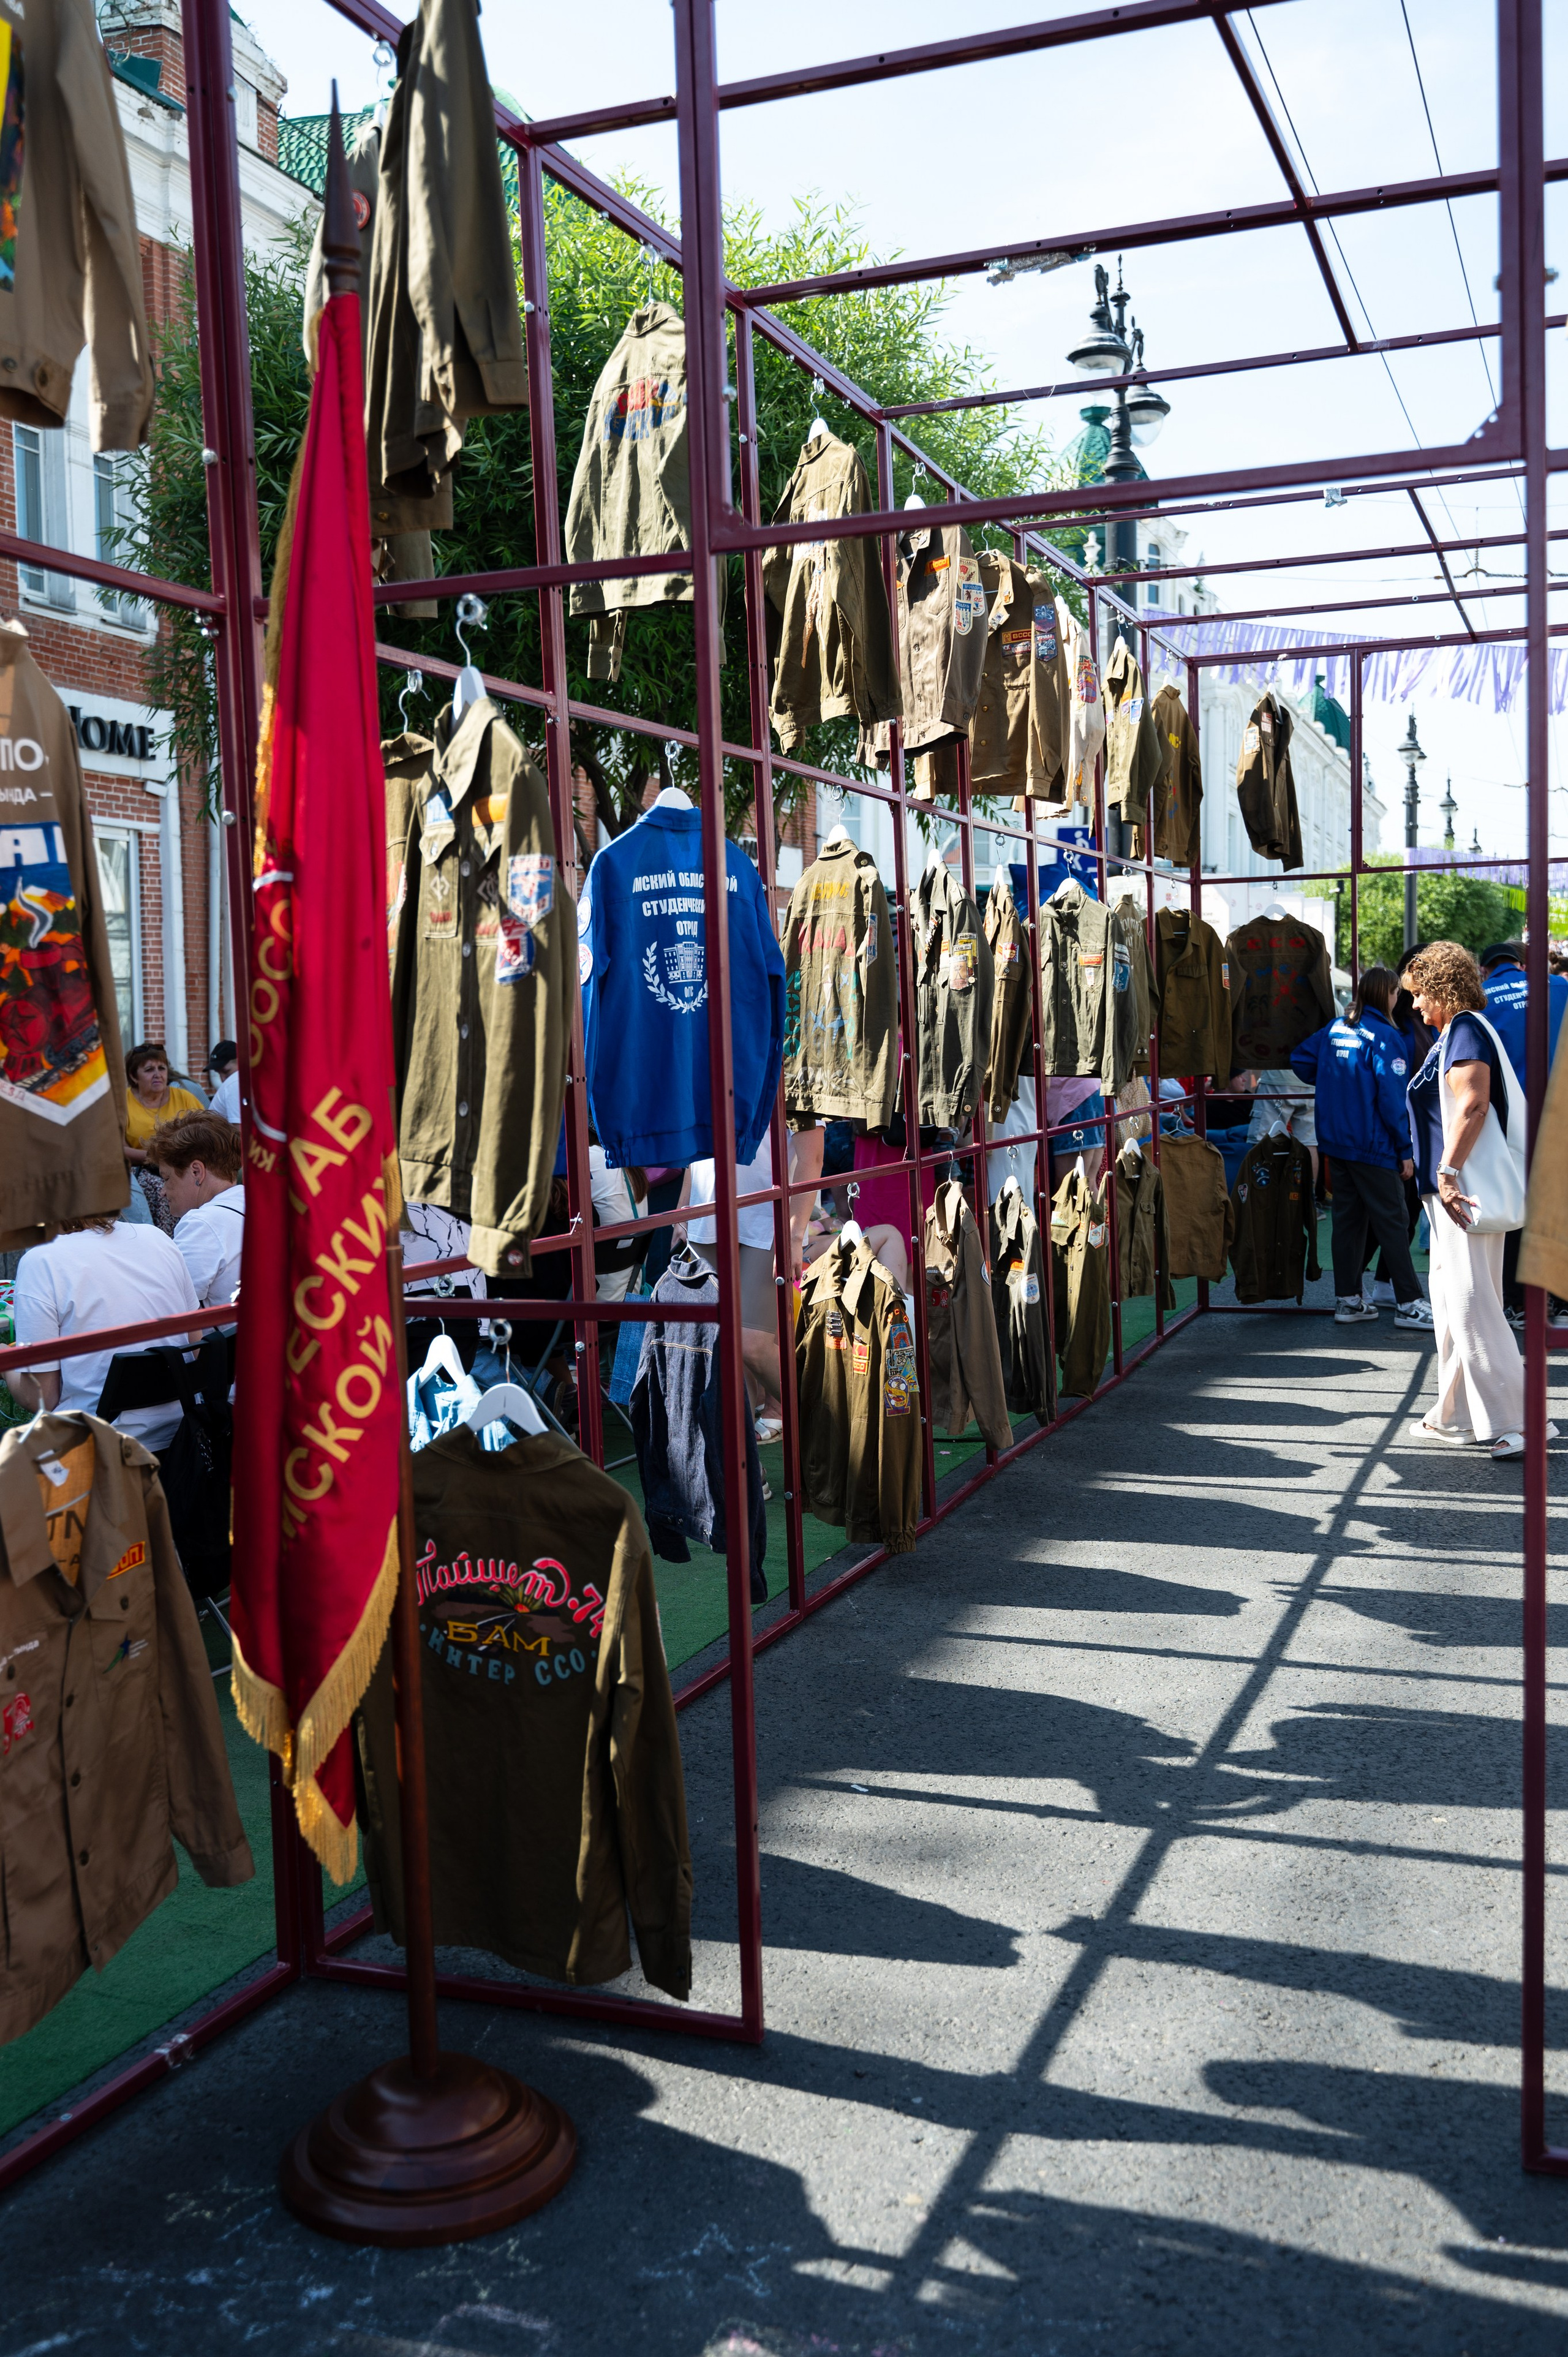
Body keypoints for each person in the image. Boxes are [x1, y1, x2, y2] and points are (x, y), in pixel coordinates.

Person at [1404, 939, 1551, 1462]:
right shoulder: (1458, 1031)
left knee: (1472, 1304)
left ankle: (1520, 1420)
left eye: (1419, 993)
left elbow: (1474, 1104)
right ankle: (1457, 1415)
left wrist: (1446, 1173)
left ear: (1440, 988)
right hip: (1454, 1190)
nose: (1415, 1004)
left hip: (1461, 1190)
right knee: (1453, 1303)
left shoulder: (1465, 1029)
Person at [1290, 967, 1431, 1329]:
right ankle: (1409, 1304)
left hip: (1337, 1143)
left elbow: (1300, 1060)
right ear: (1389, 994)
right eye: (1397, 993)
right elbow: (1392, 1101)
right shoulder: (1386, 1036)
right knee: (1394, 1221)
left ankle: (1349, 1300)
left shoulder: (1337, 1028)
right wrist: (1405, 1150)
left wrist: (1336, 1082)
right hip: (1373, 1145)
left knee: (1348, 1223)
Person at [10, 1215, 200, 1454]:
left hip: (97, 1451)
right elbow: (196, 1348)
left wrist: (6, 1364)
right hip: (185, 1437)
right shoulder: (158, 1238)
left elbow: (40, 1398)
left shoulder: (41, 1261)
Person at [1480, 942, 1568, 1331]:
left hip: (1512, 1122)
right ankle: (1562, 1303)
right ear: (1519, 963)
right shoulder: (1558, 986)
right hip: (1560, 1115)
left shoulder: (1482, 998)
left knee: (1515, 1210)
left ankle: (1517, 1305)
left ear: (1486, 969)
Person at [151, 1112, 245, 1308]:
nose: (162, 1192)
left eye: (167, 1178)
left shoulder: (202, 1224)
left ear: (197, 1172)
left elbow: (168, 1306)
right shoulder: (258, 1203)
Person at [123, 1042, 206, 1232]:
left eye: (162, 1068)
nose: (158, 1074)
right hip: (142, 1169)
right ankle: (164, 1241)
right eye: (149, 1070)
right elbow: (116, 1149)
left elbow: (206, 1133)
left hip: (185, 1165)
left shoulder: (185, 1097)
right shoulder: (122, 1101)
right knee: (163, 1189)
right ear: (134, 1076)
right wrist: (160, 1157)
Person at [208, 1041, 242, 1124]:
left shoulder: (236, 1081)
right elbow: (239, 1130)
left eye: (226, 1071)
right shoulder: (235, 1083)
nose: (223, 1079)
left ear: (241, 1061)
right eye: (219, 1073)